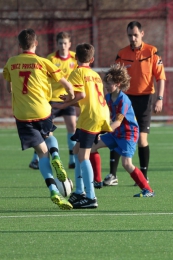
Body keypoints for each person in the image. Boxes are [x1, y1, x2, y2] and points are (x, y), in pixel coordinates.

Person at [3, 28, 74, 209]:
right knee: (49, 136)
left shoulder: (11, 62)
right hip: (42, 110)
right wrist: (71, 93)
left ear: (19, 45)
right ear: (36, 43)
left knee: (42, 153)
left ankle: (53, 190)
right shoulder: (43, 62)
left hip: (22, 115)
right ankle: (56, 155)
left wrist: (13, 89)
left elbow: (8, 84)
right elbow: (64, 81)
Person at [103, 21, 166, 186]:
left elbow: (160, 77)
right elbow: (113, 76)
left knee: (142, 140)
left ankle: (143, 176)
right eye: (130, 35)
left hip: (145, 99)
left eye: (135, 35)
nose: (132, 38)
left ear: (142, 34)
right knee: (117, 134)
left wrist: (159, 99)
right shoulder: (122, 53)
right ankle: (112, 175)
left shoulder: (152, 52)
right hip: (125, 100)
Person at [52, 43, 112, 209]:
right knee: (78, 150)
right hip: (100, 114)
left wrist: (65, 105)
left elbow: (81, 95)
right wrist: (70, 102)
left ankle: (91, 197)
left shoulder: (77, 72)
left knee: (83, 156)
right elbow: (87, 99)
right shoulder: (96, 75)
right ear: (92, 59)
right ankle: (79, 192)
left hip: (91, 117)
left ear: (75, 58)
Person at [89, 63, 155, 198]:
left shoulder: (123, 100)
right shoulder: (107, 97)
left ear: (118, 84)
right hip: (116, 132)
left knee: (126, 164)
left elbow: (118, 122)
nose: (106, 86)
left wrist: (101, 131)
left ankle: (148, 190)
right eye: (106, 83)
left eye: (110, 83)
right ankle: (97, 181)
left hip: (128, 134)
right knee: (92, 148)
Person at [29, 31, 78, 170]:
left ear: (69, 44)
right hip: (52, 99)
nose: (63, 46)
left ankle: (72, 159)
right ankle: (36, 159)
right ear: (57, 44)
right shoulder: (51, 59)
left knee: (72, 126)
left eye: (65, 43)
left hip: (67, 99)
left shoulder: (75, 58)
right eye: (60, 43)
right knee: (47, 130)